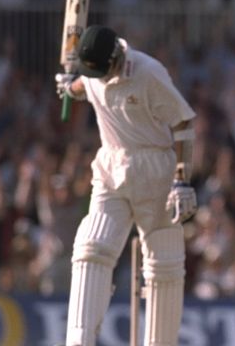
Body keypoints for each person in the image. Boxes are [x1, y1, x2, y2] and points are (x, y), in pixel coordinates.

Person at [55, 25, 197, 346]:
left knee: (164, 267)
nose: (100, 78)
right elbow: (83, 86)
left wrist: (182, 179)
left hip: (155, 169)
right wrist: (68, 86)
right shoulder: (94, 73)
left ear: (117, 57)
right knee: (92, 246)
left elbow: (184, 121)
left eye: (103, 71)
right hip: (110, 166)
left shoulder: (148, 73)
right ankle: (79, 341)